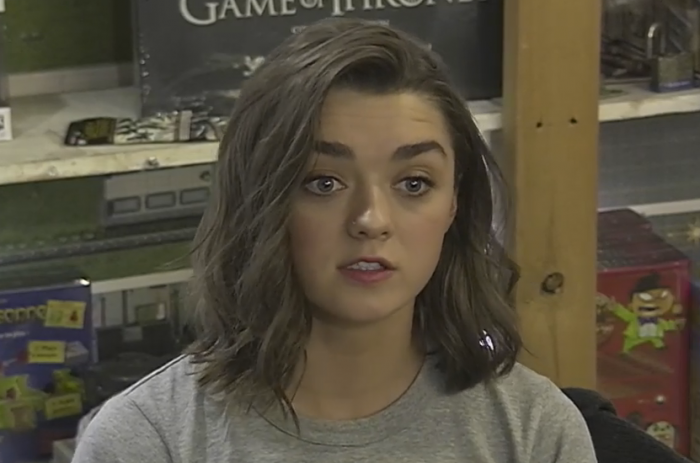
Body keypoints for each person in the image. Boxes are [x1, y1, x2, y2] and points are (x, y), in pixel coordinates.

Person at [73, 18, 597, 463]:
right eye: (323, 183)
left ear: (454, 204)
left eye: (414, 184)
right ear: (260, 201)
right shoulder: (146, 443)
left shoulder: (535, 433)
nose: (371, 220)